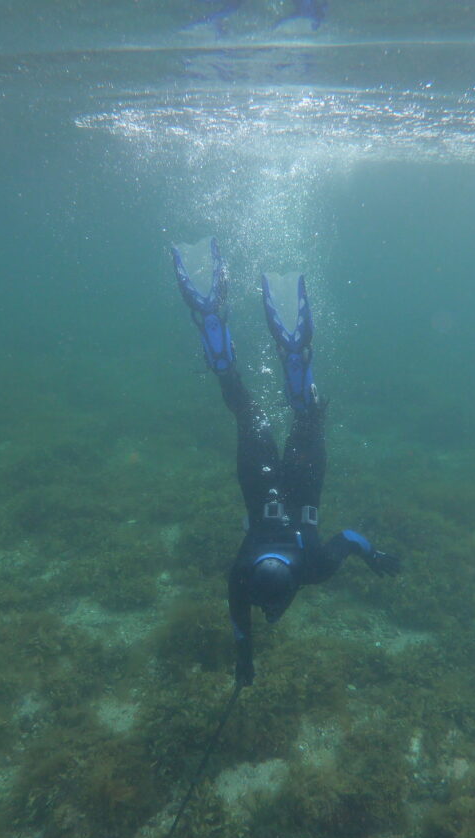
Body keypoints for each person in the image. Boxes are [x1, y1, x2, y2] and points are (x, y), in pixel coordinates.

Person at [171, 238, 400, 687]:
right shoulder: (241, 579)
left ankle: (294, 356)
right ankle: (213, 326)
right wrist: (244, 659)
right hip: (259, 483)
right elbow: (241, 616)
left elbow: (351, 537)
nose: (269, 613)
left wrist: (374, 556)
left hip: (303, 478)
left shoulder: (314, 569)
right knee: (246, 408)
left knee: (306, 418)